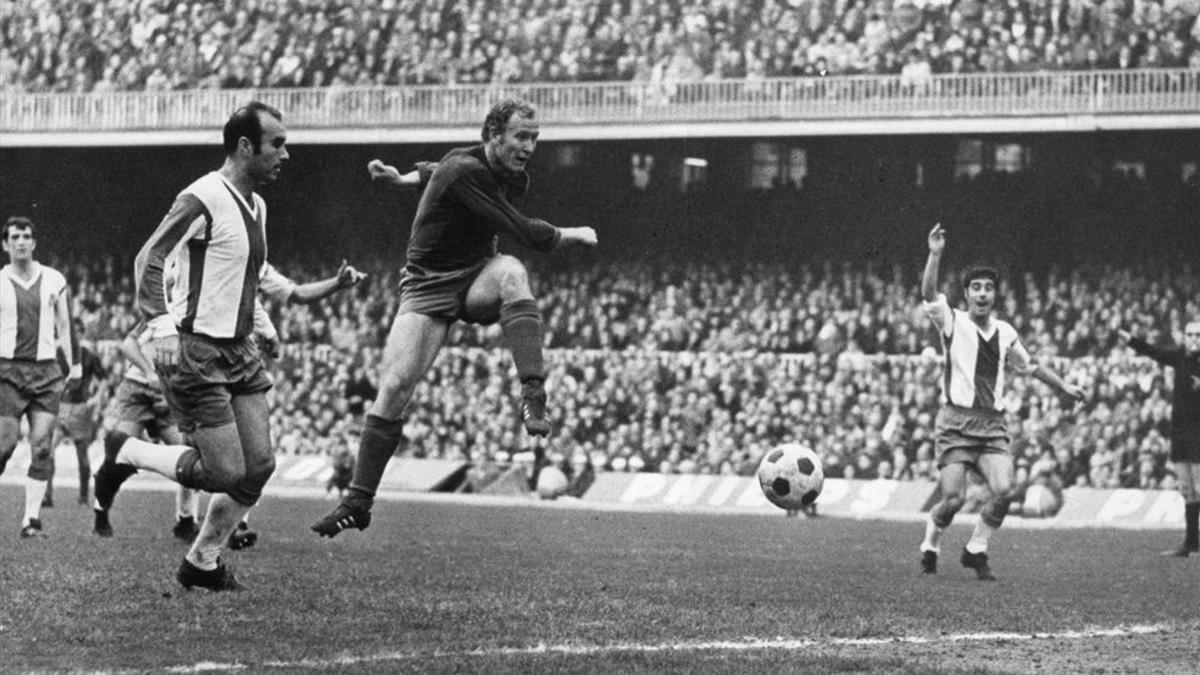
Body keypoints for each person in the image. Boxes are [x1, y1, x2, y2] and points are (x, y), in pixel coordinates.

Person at [311, 98, 598, 537]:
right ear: (493, 136)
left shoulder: (502, 172)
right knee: (395, 387)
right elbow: (519, 227)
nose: (529, 147)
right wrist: (570, 233)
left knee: (512, 276)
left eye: (535, 138)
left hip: (477, 273)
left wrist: (402, 177)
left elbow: (433, 168)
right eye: (521, 137)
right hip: (427, 283)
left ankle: (533, 390)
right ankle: (357, 501)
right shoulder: (467, 170)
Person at [92, 101, 293, 592]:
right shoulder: (203, 195)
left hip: (240, 351)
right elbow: (150, 257)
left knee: (260, 466)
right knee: (226, 473)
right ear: (246, 146)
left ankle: (202, 561)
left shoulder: (257, 206)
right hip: (198, 352)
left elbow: (244, 277)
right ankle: (130, 452)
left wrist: (262, 327)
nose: (285, 154)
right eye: (277, 144)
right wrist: (159, 326)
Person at [916, 223, 1083, 581]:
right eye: (975, 287)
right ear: (966, 294)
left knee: (1005, 491)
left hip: (992, 425)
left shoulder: (1006, 332)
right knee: (953, 500)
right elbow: (930, 293)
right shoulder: (953, 321)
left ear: (995, 295)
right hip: (956, 422)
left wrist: (1063, 387)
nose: (982, 293)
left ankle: (976, 549)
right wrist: (935, 254)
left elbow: (1032, 365)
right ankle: (930, 543)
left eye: (988, 288)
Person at [0, 216, 81, 538]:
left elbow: (66, 326)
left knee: (43, 447)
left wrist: (75, 368)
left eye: (27, 236)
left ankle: (31, 520)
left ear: (34, 242)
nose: (21, 242)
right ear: (5, 244)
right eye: (15, 237)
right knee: (4, 446)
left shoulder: (54, 279)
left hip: (46, 371)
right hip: (7, 370)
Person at [1117, 320, 1200, 557]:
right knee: (1187, 489)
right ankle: (1191, 544)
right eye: (1190, 333)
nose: (1194, 338)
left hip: (1198, 432)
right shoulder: (1180, 358)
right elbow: (1154, 352)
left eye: (1198, 334)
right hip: (1180, 432)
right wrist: (1131, 340)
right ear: (1184, 336)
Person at [45, 318, 107, 507]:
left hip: (80, 408)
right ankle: (47, 495)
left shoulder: (87, 355)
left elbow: (103, 378)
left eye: (75, 332)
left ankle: (83, 496)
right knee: (48, 451)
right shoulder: (58, 354)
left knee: (82, 455)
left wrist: (96, 399)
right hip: (61, 406)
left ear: (80, 334)